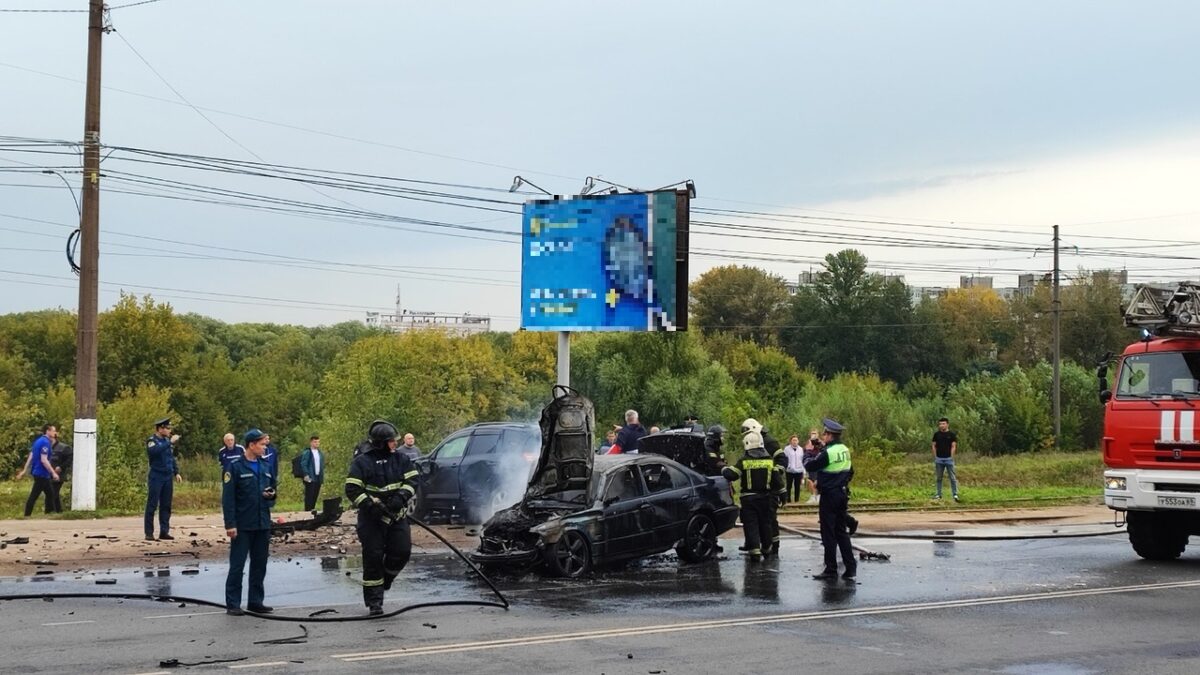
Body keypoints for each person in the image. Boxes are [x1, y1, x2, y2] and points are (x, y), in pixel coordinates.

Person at [345, 420, 419, 616]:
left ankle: (386, 580)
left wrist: (401, 497)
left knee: (402, 552)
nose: (395, 444)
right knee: (373, 558)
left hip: (396, 516)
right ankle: (374, 602)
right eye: (391, 441)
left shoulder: (401, 459)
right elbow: (352, 488)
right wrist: (369, 505)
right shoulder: (362, 461)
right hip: (372, 520)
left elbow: (413, 480)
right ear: (380, 442)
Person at [223, 428, 277, 616]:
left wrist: (271, 496)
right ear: (251, 445)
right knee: (237, 565)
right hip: (243, 524)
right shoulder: (236, 467)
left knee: (259, 564)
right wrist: (230, 524)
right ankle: (233, 603)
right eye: (262, 444)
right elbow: (228, 499)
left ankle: (255, 601)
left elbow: (272, 490)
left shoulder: (265, 466)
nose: (265, 447)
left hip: (262, 523)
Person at [805, 418, 857, 581]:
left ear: (830, 435)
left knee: (828, 533)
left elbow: (810, 465)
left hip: (829, 496)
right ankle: (850, 567)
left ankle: (831, 568)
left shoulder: (828, 453)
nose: (823, 435)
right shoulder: (844, 449)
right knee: (841, 532)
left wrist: (808, 452)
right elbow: (850, 471)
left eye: (825, 433)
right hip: (842, 494)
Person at [722, 430, 784, 562]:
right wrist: (782, 494)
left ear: (747, 444)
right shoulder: (769, 461)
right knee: (766, 523)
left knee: (751, 525)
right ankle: (767, 548)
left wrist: (723, 468)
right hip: (766, 498)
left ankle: (754, 552)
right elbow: (777, 480)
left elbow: (732, 474)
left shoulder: (744, 461)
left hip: (749, 500)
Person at [742, 418, 784, 555]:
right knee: (759, 519)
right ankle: (754, 544)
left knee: (769, 518)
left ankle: (773, 546)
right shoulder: (754, 442)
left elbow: (782, 459)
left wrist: (775, 473)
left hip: (769, 489)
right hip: (762, 489)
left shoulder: (769, 442)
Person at [145, 418, 182, 541]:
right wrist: (169, 443)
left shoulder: (166, 441)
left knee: (166, 505)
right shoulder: (152, 441)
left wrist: (176, 472)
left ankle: (164, 531)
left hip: (167, 476)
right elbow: (154, 452)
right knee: (152, 504)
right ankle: (149, 533)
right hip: (156, 476)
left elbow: (171, 458)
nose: (169, 430)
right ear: (160, 429)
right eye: (167, 428)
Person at [18, 424, 60, 517]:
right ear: (47, 431)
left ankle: (49, 513)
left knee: (50, 494)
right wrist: (53, 473)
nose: (55, 433)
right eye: (53, 431)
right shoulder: (45, 442)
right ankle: (28, 515)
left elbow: (31, 455)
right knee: (36, 495)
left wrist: (25, 470)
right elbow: (44, 460)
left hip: (37, 472)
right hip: (42, 473)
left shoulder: (38, 441)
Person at [932, 417, 960, 502]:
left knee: (952, 477)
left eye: (943, 424)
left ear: (947, 424)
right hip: (939, 459)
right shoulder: (936, 435)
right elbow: (933, 445)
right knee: (939, 478)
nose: (941, 425)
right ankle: (938, 494)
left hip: (948, 459)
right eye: (940, 424)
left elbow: (953, 446)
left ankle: (955, 494)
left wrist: (951, 457)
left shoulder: (951, 435)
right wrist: (935, 456)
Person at [299, 434, 324, 512]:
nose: (317, 443)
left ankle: (312, 509)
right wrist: (306, 474)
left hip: (318, 476)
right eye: (315, 442)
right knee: (309, 494)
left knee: (315, 494)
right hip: (310, 476)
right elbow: (303, 463)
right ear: (311, 443)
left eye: (318, 442)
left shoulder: (320, 453)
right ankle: (307, 510)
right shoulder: (308, 452)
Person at [49, 438, 72, 513]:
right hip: (48, 475)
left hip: (59, 475)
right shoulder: (46, 447)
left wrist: (61, 467)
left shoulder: (63, 447)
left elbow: (70, 459)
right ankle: (58, 511)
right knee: (52, 493)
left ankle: (52, 511)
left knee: (53, 492)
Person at [802, 428, 823, 504]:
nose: (813, 435)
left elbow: (823, 452)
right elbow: (805, 451)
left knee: (818, 481)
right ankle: (813, 495)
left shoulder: (821, 442)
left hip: (819, 463)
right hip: (810, 463)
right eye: (812, 433)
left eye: (815, 433)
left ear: (818, 434)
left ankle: (818, 495)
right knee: (810, 480)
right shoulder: (808, 443)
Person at [783, 435, 806, 504]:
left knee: (797, 486)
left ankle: (796, 500)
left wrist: (803, 471)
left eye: (796, 440)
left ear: (798, 441)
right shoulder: (786, 449)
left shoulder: (801, 449)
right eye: (793, 440)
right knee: (789, 485)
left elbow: (802, 460)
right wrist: (788, 466)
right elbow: (784, 459)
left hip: (799, 470)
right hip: (789, 470)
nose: (795, 441)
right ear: (790, 441)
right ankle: (788, 500)